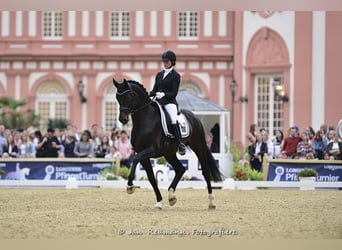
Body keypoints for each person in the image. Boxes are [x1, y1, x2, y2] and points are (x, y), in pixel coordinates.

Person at [149, 50, 186, 155]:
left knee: (173, 120)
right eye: (164, 61)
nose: (165, 63)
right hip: (159, 102)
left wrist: (164, 94)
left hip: (170, 102)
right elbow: (154, 89)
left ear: (172, 62)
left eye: (167, 61)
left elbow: (174, 93)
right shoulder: (159, 75)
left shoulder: (176, 76)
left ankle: (180, 144)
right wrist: (149, 94)